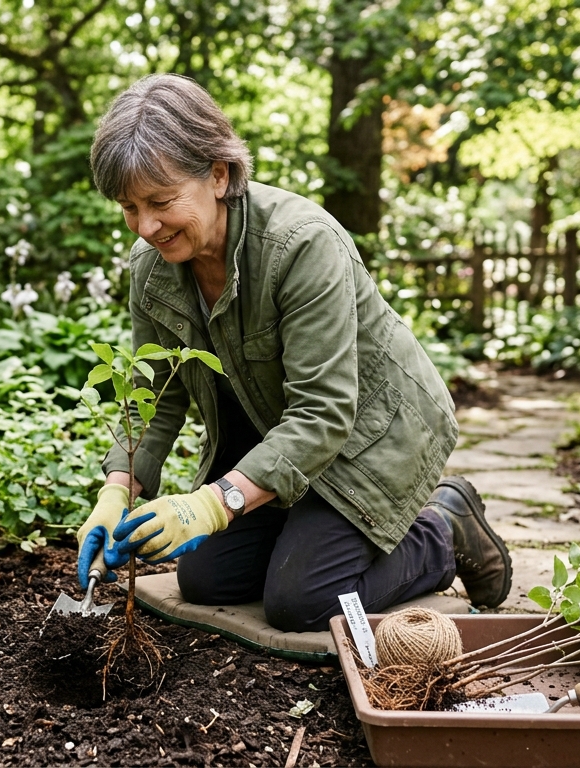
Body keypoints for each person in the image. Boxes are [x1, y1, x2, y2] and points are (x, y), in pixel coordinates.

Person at [75, 74, 512, 632]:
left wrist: (211, 505)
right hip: (273, 435)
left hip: (367, 439)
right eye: (129, 207)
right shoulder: (151, 268)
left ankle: (443, 529)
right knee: (205, 579)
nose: (147, 226)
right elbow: (156, 398)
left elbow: (325, 412)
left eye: (160, 201)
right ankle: (303, 530)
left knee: (302, 602)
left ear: (218, 174)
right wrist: (117, 491)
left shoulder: (301, 245)